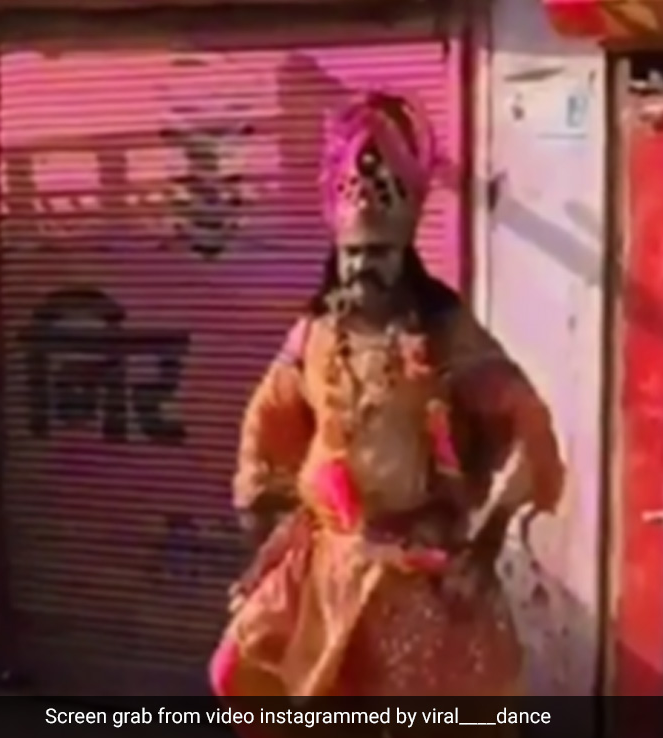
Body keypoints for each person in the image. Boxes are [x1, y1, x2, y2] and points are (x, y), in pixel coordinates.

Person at [209, 90, 565, 698]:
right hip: (323, 567)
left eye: (377, 253)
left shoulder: (444, 333)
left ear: (406, 254)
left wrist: (488, 535)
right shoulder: (315, 334)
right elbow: (266, 419)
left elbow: (524, 415)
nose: (361, 267)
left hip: (412, 571)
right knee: (240, 676)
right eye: (351, 254)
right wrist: (266, 507)